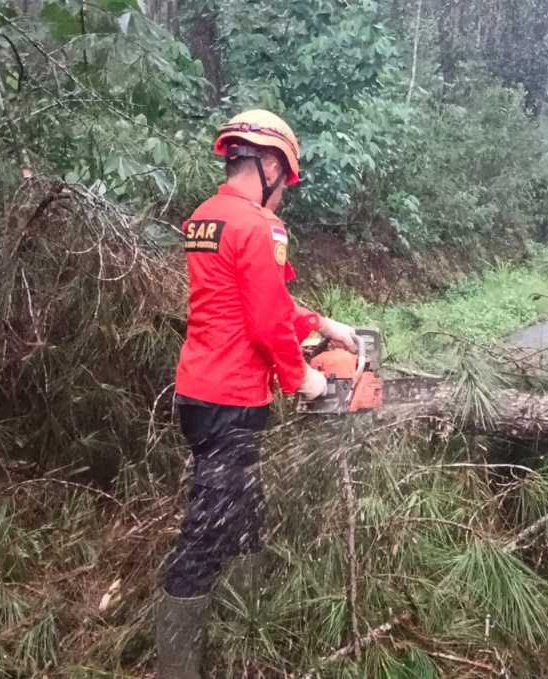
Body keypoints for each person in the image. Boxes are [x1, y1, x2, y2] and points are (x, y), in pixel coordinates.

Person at [155, 109, 360, 679]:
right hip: (232, 400)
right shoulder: (260, 226)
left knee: (246, 512)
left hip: (198, 393)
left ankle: (248, 621)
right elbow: (266, 320)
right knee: (205, 532)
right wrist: (306, 379)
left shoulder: (206, 217)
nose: (283, 199)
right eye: (284, 185)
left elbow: (248, 296)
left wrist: (323, 326)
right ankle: (177, 668)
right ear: (270, 165)